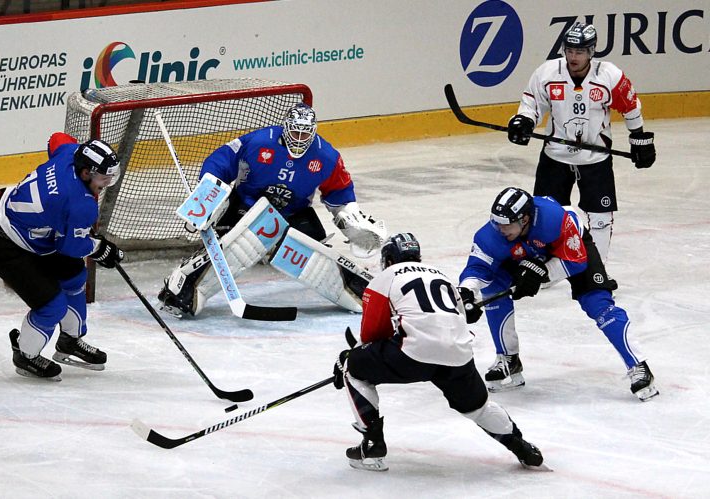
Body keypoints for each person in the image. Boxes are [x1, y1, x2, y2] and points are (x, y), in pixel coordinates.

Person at [332, 233, 545, 472]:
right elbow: (460, 320)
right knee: (478, 408)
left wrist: (352, 356)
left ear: (389, 259)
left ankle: (371, 447)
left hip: (412, 354)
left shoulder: (385, 278)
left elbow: (372, 334)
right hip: (458, 356)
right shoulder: (441, 276)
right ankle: (521, 447)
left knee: (352, 366)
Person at [158, 102, 386, 318]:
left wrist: (349, 216)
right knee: (233, 246)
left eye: (305, 134)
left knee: (315, 251)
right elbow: (222, 159)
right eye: (295, 132)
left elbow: (339, 191)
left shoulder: (326, 156)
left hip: (293, 214)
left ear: (314, 132)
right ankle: (184, 287)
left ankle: (361, 292)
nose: (299, 139)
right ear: (285, 128)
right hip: (245, 209)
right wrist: (207, 195)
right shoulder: (259, 142)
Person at [457, 187, 658, 401]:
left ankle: (638, 365)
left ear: (524, 219)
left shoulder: (553, 219)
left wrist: (542, 273)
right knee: (493, 285)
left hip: (572, 250)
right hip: (529, 254)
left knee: (598, 304)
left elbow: (576, 261)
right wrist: (467, 291)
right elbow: (479, 267)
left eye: (505, 224)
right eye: (496, 222)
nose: (499, 229)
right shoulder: (492, 234)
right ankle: (508, 358)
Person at [507, 21, 656, 276]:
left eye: (580, 51)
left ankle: (596, 271)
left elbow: (631, 105)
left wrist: (639, 137)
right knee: (544, 212)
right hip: (555, 156)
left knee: (600, 217)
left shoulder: (609, 75)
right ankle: (542, 264)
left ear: (591, 51)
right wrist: (523, 121)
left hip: (595, 158)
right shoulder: (547, 73)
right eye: (569, 50)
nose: (573, 56)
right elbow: (531, 103)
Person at [0, 133, 125, 381]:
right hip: (1, 242)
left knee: (76, 276)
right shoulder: (80, 205)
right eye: (103, 176)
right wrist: (99, 249)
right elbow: (70, 247)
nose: (108, 181)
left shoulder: (69, 153)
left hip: (29, 228)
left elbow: (57, 138)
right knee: (52, 307)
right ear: (86, 173)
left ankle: (70, 340)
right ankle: (26, 355)